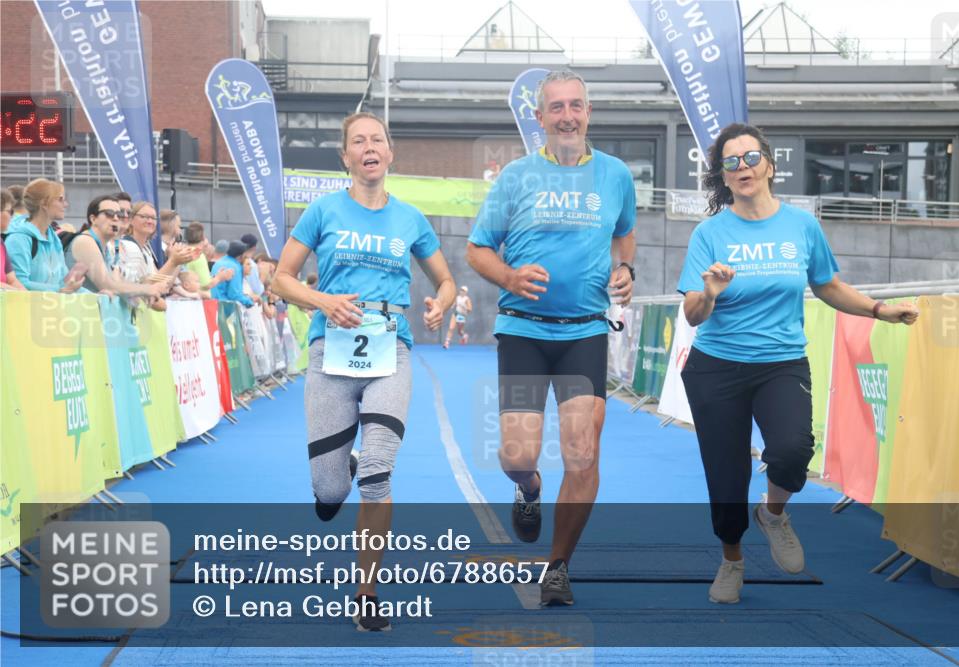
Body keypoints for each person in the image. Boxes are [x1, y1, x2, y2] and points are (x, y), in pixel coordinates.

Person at [677, 123, 919, 605]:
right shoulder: (710, 233)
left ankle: (773, 514)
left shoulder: (801, 226)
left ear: (769, 163)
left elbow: (827, 285)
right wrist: (709, 292)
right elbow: (692, 313)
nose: (742, 168)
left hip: (781, 363)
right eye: (731, 162)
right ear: (722, 176)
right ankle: (732, 561)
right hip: (717, 367)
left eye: (750, 158)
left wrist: (878, 309)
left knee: (791, 451)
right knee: (725, 477)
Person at [272, 111, 455, 632]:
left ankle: (366, 592)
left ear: (390, 153)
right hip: (331, 352)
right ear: (346, 156)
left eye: (377, 139)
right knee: (330, 492)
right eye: (358, 141)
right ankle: (337, 473)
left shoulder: (411, 219)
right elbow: (282, 278)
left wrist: (441, 304)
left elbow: (445, 280)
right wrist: (322, 299)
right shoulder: (322, 211)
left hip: (390, 349)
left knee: (378, 471)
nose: (369, 147)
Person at [466, 69, 637, 606]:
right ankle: (527, 488)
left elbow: (625, 233)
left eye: (576, 105)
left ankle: (558, 566)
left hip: (584, 333)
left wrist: (625, 268)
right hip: (523, 333)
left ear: (589, 112)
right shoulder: (516, 177)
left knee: (583, 454)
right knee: (517, 454)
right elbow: (477, 250)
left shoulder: (615, 176)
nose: (567, 116)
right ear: (539, 119)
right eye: (556, 108)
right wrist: (511, 277)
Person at [64, 194, 167, 299]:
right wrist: (147, 290)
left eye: (119, 214)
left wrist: (139, 293)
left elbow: (118, 284)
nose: (116, 218)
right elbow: (108, 286)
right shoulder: (85, 242)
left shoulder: (107, 248)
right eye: (109, 213)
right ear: (93, 219)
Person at [5, 179, 84, 293]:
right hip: (29, 309)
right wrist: (60, 290)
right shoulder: (18, 239)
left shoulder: (54, 239)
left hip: (51, 307)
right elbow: (18, 284)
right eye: (60, 199)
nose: (66, 204)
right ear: (43, 203)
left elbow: (64, 282)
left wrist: (99, 296)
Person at [117, 201, 196, 310]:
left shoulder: (146, 249)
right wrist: (173, 261)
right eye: (144, 216)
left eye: (153, 218)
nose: (149, 221)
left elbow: (163, 283)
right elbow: (143, 286)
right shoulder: (127, 246)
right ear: (131, 219)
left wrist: (177, 262)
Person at [210, 240, 254, 307]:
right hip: (225, 308)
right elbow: (234, 295)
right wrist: (249, 302)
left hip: (213, 305)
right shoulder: (235, 267)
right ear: (240, 256)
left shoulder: (218, 262)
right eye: (245, 254)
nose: (247, 256)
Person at [1, 188, 26, 290]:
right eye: (10, 211)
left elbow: (12, 280)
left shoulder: (1, 244)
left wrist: (28, 297)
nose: (12, 216)